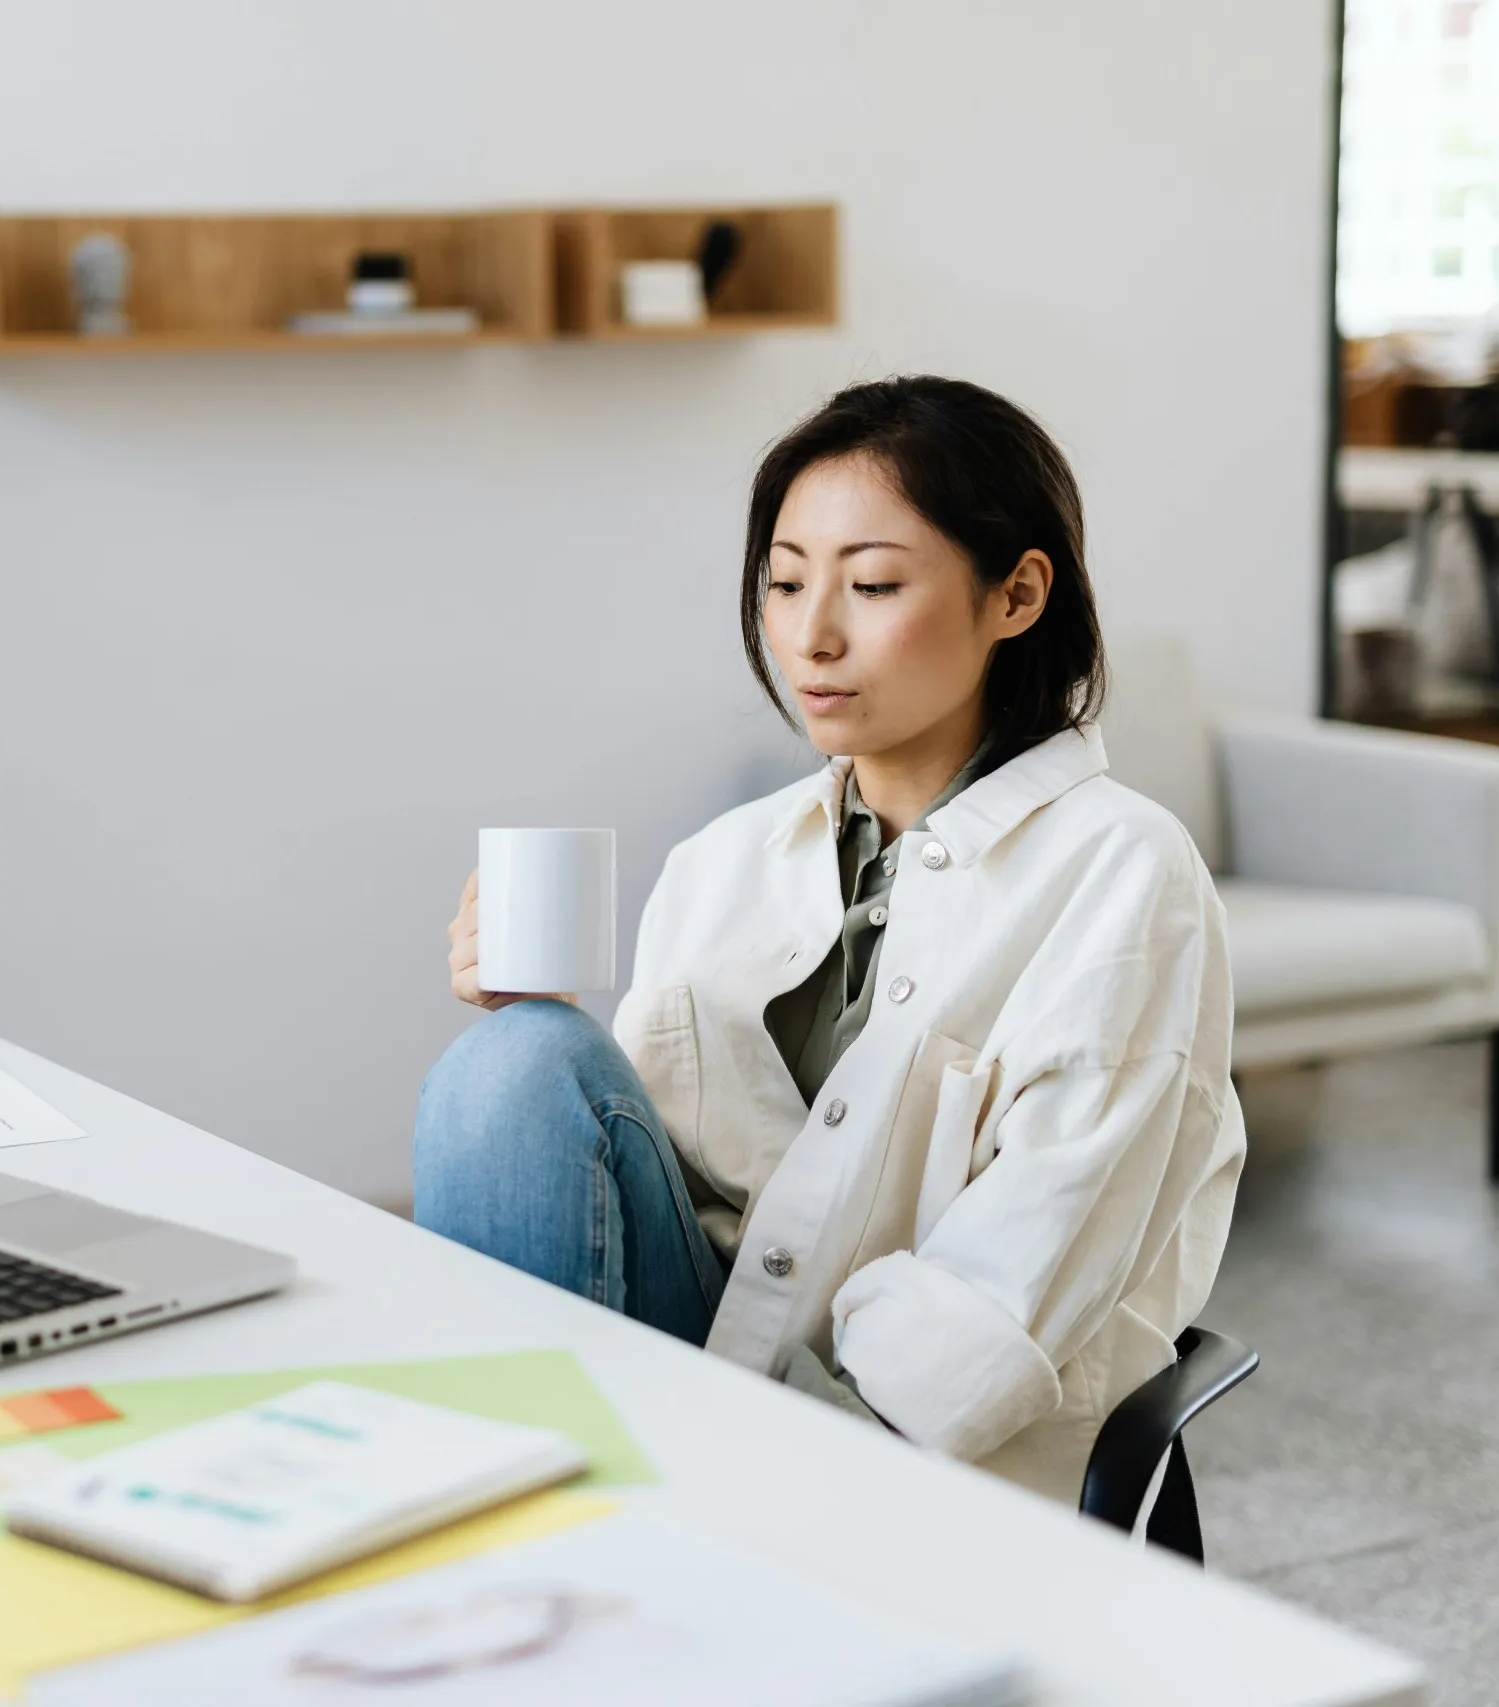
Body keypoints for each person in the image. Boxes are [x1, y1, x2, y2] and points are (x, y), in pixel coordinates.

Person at [413, 376, 1244, 1504]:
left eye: (872, 584)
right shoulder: (724, 860)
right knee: (507, 1070)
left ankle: (557, 1533)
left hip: (894, 1455)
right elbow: (655, 1191)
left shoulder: (1125, 874)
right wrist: (539, 1064)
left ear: (1017, 594)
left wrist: (770, 1476)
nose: (812, 634)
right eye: (786, 582)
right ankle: (511, 1515)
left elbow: (1015, 1280)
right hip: (698, 1366)